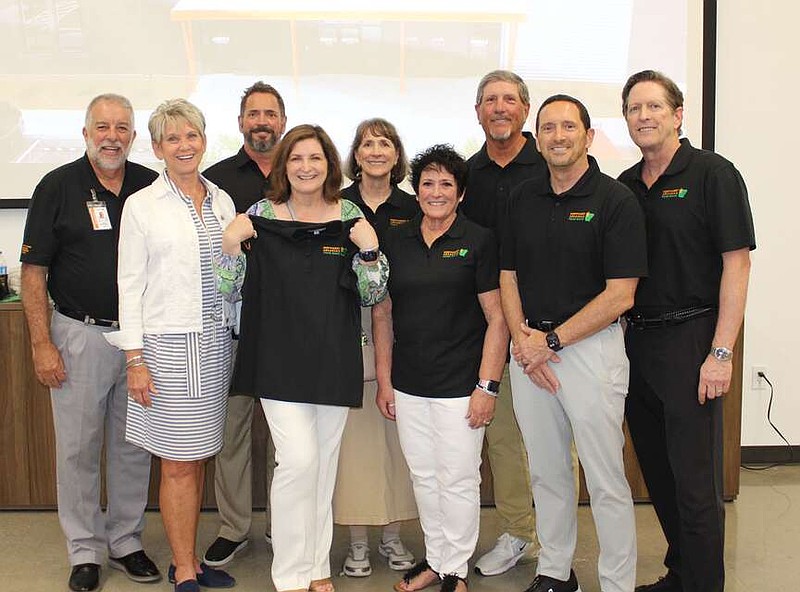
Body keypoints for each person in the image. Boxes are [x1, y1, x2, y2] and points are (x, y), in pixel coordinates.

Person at [218, 124, 388, 592]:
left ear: (329, 165)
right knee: (298, 460)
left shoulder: (350, 214)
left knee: (324, 463)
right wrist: (230, 244)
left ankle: (316, 568)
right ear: (283, 166)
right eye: (296, 159)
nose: (306, 167)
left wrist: (370, 251)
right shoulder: (259, 214)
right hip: (276, 359)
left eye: (315, 158)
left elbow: (373, 293)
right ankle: (289, 574)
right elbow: (227, 290)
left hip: (333, 358)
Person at [500, 95, 647, 592]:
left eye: (568, 127)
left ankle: (616, 582)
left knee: (605, 478)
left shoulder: (615, 200)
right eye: (548, 128)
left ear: (587, 136)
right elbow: (508, 273)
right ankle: (555, 573)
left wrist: (553, 340)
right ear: (535, 138)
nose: (557, 136)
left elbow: (621, 293)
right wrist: (524, 339)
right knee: (546, 473)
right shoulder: (522, 196)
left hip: (589, 352)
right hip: (530, 351)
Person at [618, 70, 755, 592]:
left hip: (692, 338)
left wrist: (720, 352)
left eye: (654, 107)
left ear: (678, 114)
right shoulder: (626, 185)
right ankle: (681, 574)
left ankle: (703, 584)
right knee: (659, 472)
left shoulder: (712, 174)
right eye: (634, 108)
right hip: (637, 342)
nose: (644, 116)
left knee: (696, 481)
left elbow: (737, 264)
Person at [20, 93, 160, 592]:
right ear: (85, 133)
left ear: (134, 137)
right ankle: (84, 549)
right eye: (102, 126)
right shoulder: (57, 186)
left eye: (122, 127)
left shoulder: (150, 185)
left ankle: (125, 540)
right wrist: (42, 344)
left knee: (133, 445)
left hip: (141, 341)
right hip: (78, 334)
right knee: (78, 449)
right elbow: (33, 273)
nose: (112, 136)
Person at [105, 98, 238, 592]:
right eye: (173, 138)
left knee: (199, 455)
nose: (185, 145)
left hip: (214, 346)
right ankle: (183, 566)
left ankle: (193, 560)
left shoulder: (222, 200)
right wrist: (135, 360)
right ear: (158, 147)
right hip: (165, 350)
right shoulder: (142, 206)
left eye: (192, 135)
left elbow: (232, 274)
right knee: (178, 463)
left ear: (204, 140)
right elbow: (129, 285)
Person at [373, 144, 508, 592]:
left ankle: (456, 570)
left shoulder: (480, 240)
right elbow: (384, 315)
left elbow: (497, 318)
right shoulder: (397, 240)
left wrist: (487, 386)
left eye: (446, 184)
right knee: (425, 477)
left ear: (461, 193)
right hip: (410, 385)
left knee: (459, 478)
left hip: (461, 386)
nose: (435, 192)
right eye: (427, 183)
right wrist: (386, 382)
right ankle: (435, 560)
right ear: (416, 190)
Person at [460, 70, 543, 577]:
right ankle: (519, 532)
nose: (499, 107)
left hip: (553, 329)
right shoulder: (469, 176)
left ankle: (557, 537)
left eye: (509, 99)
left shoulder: (554, 163)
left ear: (524, 110)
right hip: (492, 327)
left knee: (558, 438)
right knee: (506, 437)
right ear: (478, 112)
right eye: (489, 99)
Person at [202, 81, 287, 567]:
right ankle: (233, 527)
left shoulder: (303, 173)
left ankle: (283, 525)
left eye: (270, 114)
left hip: (286, 329)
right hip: (230, 327)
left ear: (282, 121)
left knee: (286, 434)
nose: (261, 122)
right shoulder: (214, 181)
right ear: (240, 122)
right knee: (231, 430)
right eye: (253, 114)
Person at [333, 118, 419, 577]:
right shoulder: (337, 205)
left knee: (397, 441)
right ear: (356, 154)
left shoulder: (414, 204)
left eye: (385, 142)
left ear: (396, 152)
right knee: (355, 444)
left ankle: (392, 537)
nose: (376, 150)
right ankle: (358, 542)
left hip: (404, 330)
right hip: (348, 330)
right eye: (367, 143)